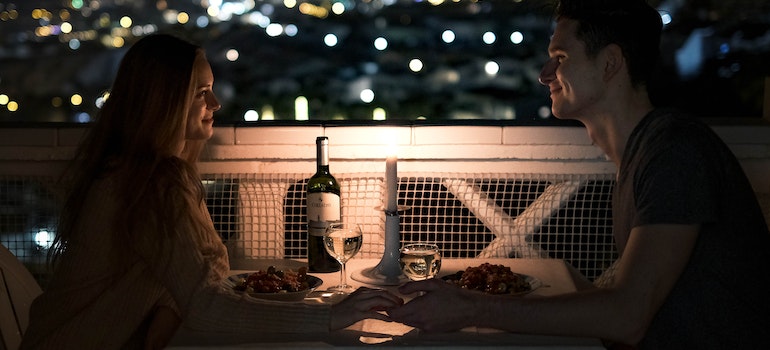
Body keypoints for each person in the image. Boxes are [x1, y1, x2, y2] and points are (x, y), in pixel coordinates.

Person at [388, 0, 770, 348]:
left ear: (610, 64)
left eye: (560, 57)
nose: (544, 74)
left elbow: (627, 316)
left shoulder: (675, 152)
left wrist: (474, 309)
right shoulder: (645, 151)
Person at [20, 33, 402, 350]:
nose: (215, 105)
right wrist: (334, 315)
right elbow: (208, 305)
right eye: (202, 92)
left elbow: (189, 284)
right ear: (164, 102)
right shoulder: (152, 184)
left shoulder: (136, 171)